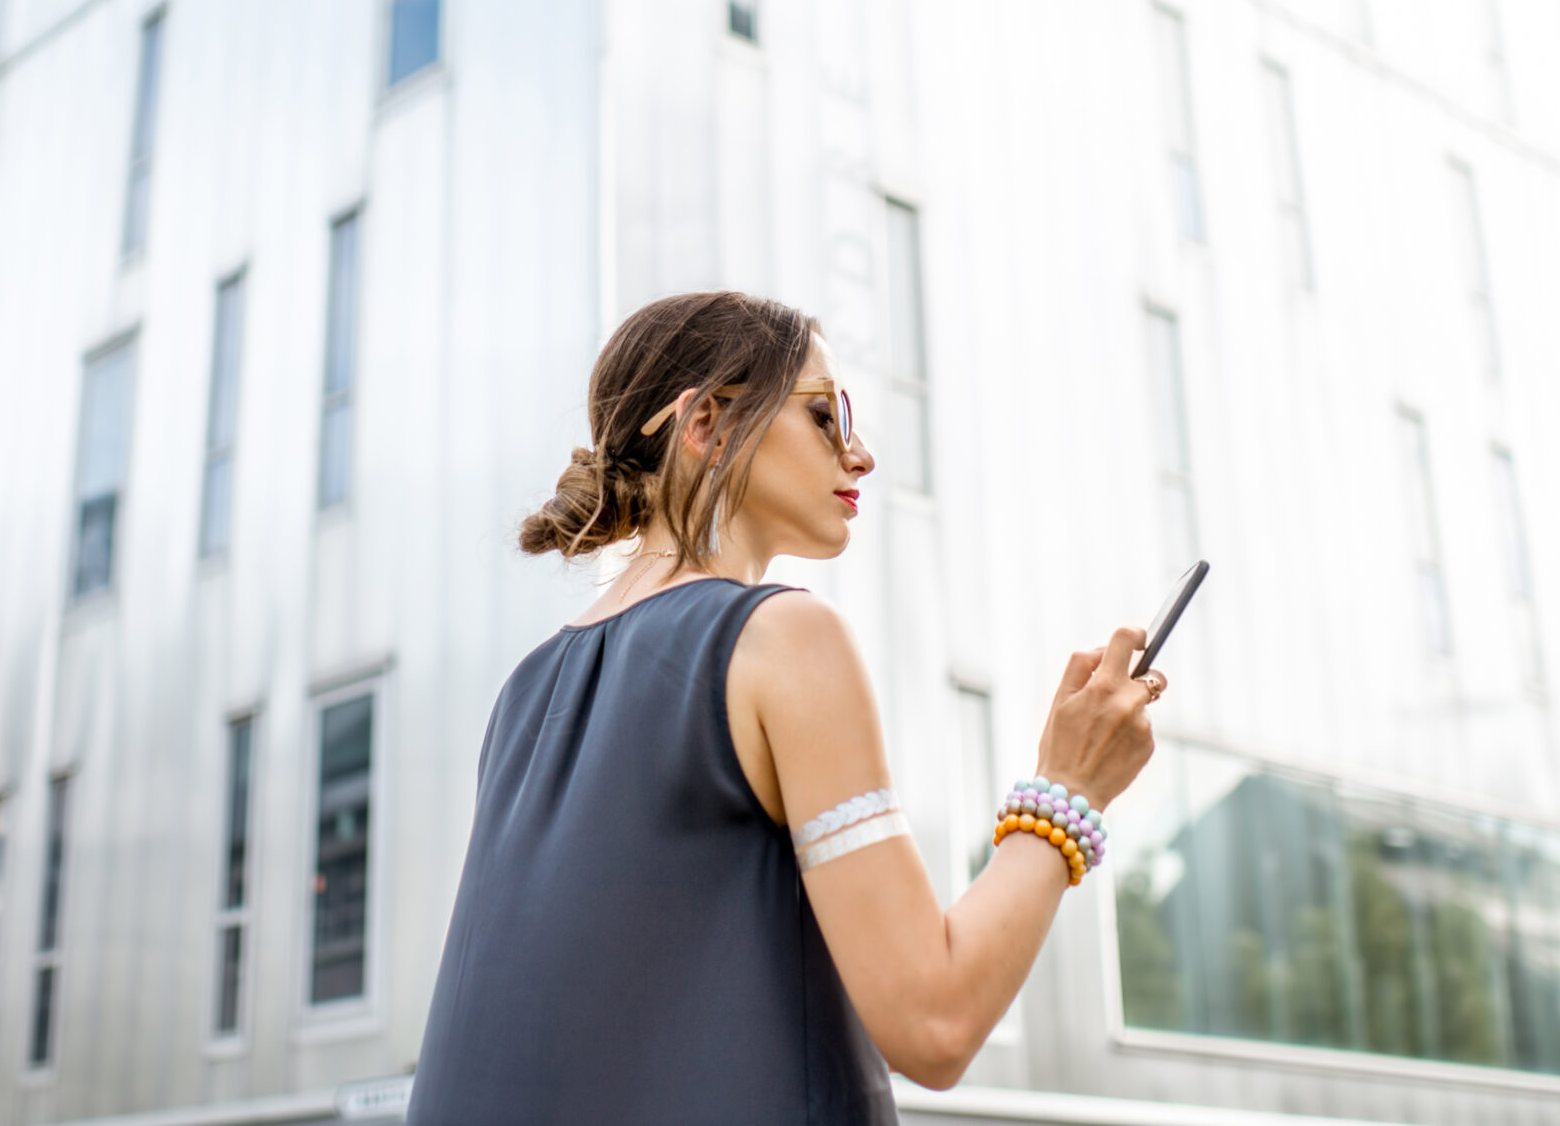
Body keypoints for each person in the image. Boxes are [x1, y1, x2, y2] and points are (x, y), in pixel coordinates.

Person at [406, 292, 1162, 1125]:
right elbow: (933, 1020)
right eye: (826, 414)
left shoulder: (525, 689)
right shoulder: (783, 636)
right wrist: (1069, 786)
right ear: (707, 426)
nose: (861, 452)